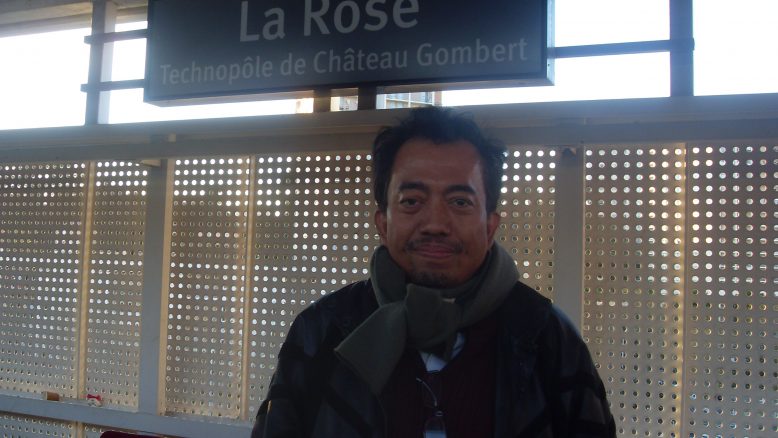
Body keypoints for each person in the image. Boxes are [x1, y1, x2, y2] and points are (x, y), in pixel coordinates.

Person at [252, 107, 616, 437]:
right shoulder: (320, 332)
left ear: (490, 227)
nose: (435, 224)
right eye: (412, 201)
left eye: (460, 202)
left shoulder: (549, 338)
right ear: (383, 224)